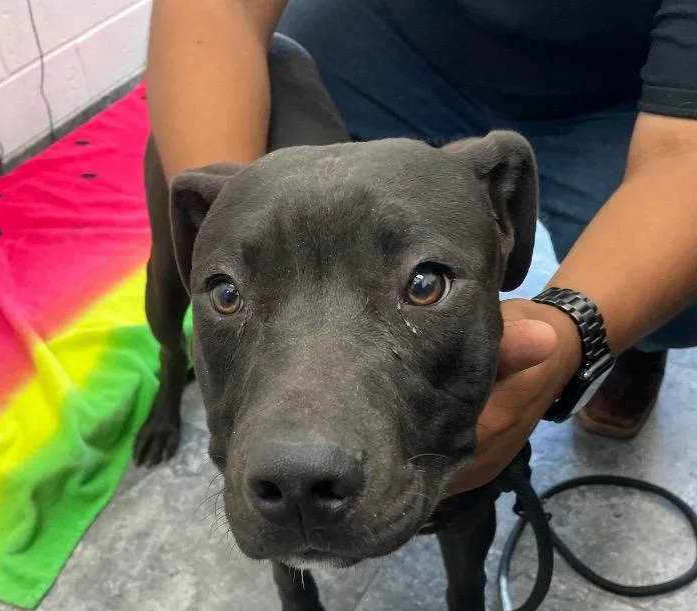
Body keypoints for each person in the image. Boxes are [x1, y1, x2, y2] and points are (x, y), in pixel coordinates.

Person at [145, 0, 697, 495]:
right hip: (397, 34)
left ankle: (633, 347)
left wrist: (580, 329)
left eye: (423, 285)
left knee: (673, 295)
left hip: (637, 88)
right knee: (307, 215)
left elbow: (683, 152)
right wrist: (249, 240)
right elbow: (214, 8)